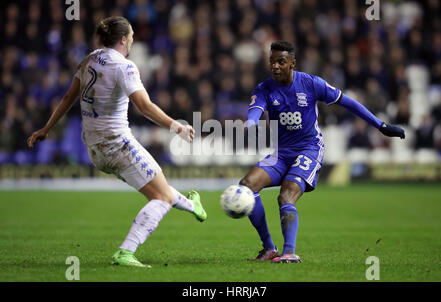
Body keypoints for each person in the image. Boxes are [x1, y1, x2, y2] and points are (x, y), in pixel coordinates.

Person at [27, 16, 207, 268]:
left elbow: (69, 96)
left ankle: (192, 204)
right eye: (131, 36)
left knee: (160, 189)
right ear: (123, 39)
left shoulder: (89, 59)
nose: (132, 41)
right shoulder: (125, 66)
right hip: (117, 144)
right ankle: (126, 252)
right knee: (162, 199)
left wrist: (47, 127)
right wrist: (176, 126)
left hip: (94, 150)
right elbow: (144, 106)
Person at [240, 41, 405, 263]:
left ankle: (289, 253)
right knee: (247, 186)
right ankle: (269, 248)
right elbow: (255, 111)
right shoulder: (264, 88)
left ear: (292, 64)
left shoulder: (311, 84)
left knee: (286, 195)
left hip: (309, 149)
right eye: (272, 62)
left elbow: (349, 103)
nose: (275, 66)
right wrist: (250, 124)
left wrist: (380, 125)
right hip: (281, 154)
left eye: (281, 62)